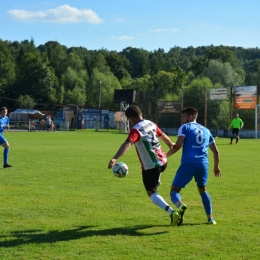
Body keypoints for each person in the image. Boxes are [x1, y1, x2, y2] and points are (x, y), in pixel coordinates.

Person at [107, 105, 180, 226]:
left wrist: (115, 157)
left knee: (151, 193)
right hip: (163, 161)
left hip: (151, 166)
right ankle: (158, 179)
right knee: (156, 176)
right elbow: (162, 135)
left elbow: (128, 144)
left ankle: (172, 212)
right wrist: (171, 145)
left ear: (130, 118)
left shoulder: (136, 130)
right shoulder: (150, 123)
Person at [167, 107, 221, 225]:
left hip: (188, 163)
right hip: (203, 164)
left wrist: (165, 156)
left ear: (191, 117)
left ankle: (180, 206)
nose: (182, 119)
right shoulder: (206, 130)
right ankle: (210, 218)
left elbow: (178, 145)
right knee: (202, 190)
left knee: (174, 190)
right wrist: (216, 167)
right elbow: (216, 152)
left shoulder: (185, 128)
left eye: (183, 117)